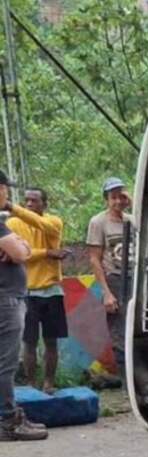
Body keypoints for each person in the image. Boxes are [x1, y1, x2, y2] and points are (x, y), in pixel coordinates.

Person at [6, 188, 70, 392]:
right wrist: (48, 253)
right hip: (26, 292)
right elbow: (21, 254)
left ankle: (49, 383)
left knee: (51, 341)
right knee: (29, 342)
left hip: (52, 290)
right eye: (26, 201)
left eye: (34, 200)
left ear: (45, 204)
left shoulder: (54, 222)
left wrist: (11, 206)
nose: (29, 204)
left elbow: (39, 224)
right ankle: (32, 383)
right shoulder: (13, 224)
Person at [0, 171, 48, 441]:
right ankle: (8, 421)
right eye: (6, 190)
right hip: (6, 300)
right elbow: (20, 253)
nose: (8, 195)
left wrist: (20, 246)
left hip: (9, 297)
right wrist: (20, 247)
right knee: (5, 364)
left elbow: (20, 250)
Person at [86, 177, 132, 380]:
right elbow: (94, 259)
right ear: (106, 199)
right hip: (114, 280)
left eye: (121, 197)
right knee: (119, 333)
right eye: (113, 197)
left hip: (134, 278)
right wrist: (106, 292)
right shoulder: (98, 222)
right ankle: (125, 381)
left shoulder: (131, 220)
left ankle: (137, 380)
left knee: (135, 331)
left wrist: (130, 203)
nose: (118, 202)